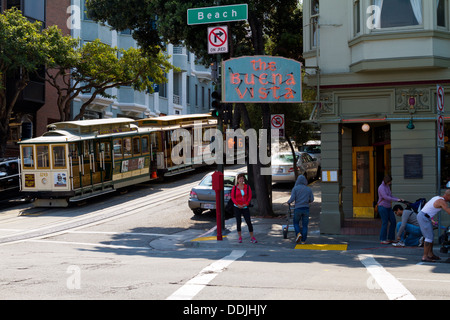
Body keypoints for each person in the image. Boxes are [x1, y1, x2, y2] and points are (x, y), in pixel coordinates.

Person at [417, 190, 450, 262]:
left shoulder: (437, 197)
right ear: (448, 196)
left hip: (424, 216)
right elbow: (448, 210)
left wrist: (429, 219)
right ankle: (425, 257)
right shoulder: (442, 201)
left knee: (431, 235)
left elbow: (427, 206)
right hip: (424, 217)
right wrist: (427, 218)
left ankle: (430, 255)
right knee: (428, 237)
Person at [287, 175, 314, 244]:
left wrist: (288, 202)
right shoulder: (308, 189)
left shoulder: (295, 189)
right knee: (305, 225)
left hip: (297, 209)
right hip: (306, 209)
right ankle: (303, 240)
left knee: (296, 223)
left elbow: (292, 198)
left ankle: (298, 234)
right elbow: (312, 199)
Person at [378, 175, 403, 244]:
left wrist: (398, 199)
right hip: (382, 207)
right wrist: (396, 200)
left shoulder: (387, 186)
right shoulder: (381, 187)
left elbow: (390, 196)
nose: (390, 183)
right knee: (385, 223)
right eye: (389, 182)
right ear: (387, 181)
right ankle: (382, 239)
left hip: (388, 207)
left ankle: (390, 238)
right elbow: (386, 197)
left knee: (393, 221)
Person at [231, 173, 256, 243]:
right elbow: (232, 197)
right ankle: (240, 237)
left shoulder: (247, 187)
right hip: (237, 207)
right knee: (238, 222)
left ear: (244, 179)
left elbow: (249, 196)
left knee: (248, 222)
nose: (241, 180)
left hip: (245, 207)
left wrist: (246, 204)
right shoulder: (235, 188)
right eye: (240, 178)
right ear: (238, 180)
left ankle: (252, 237)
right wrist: (237, 204)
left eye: (242, 178)